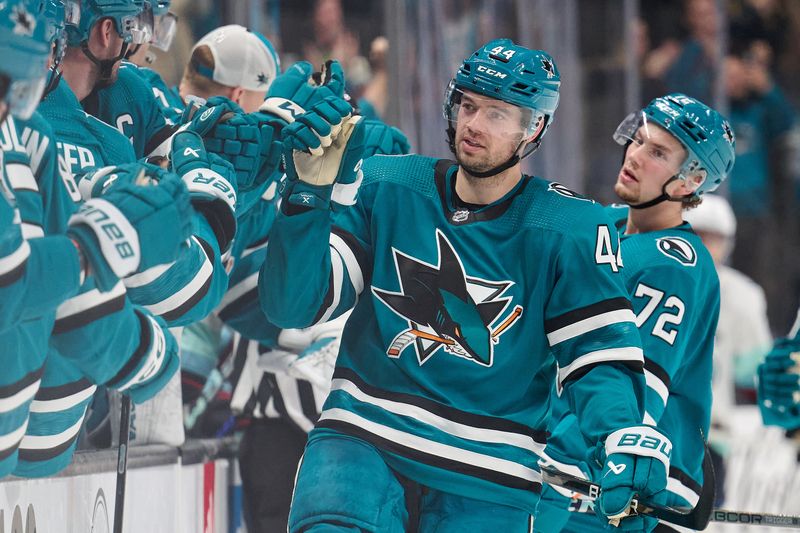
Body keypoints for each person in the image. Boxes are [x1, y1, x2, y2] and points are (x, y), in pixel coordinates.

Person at [260, 39, 668, 532]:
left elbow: (598, 356)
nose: (474, 124)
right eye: (468, 105)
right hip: (362, 439)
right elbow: (294, 306)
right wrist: (305, 197)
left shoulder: (571, 227)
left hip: (489, 473)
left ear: (533, 128)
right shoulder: (388, 185)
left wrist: (619, 436)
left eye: (498, 114)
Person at [536, 93, 736, 532]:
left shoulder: (671, 264)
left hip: (611, 494)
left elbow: (632, 397)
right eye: (639, 141)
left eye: (658, 152)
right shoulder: (604, 226)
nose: (635, 155)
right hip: (575, 478)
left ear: (690, 180)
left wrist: (539, 454)